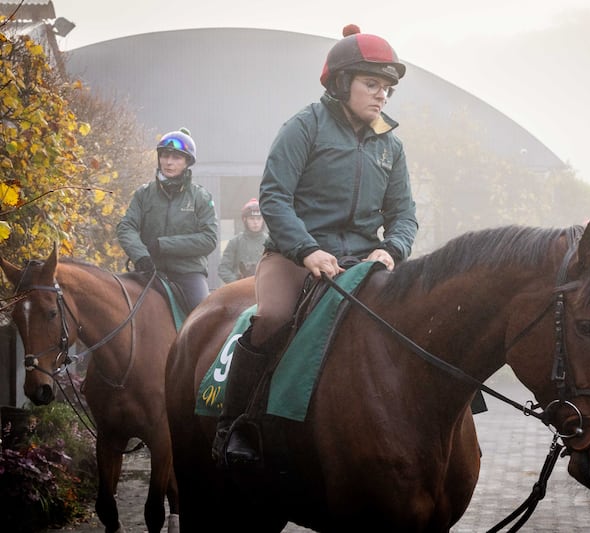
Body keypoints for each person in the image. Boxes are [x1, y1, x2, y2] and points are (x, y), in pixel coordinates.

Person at [213, 24, 418, 466]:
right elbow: (274, 197)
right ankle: (237, 425)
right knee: (273, 317)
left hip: (365, 262)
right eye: (372, 84)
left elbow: (404, 215)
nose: (382, 95)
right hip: (293, 257)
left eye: (387, 88)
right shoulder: (304, 126)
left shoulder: (391, 146)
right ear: (342, 83)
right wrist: (307, 250)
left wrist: (393, 249)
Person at [117, 128, 218, 312]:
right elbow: (126, 227)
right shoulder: (143, 194)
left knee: (203, 318)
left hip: (188, 273)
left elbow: (209, 239)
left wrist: (163, 245)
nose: (169, 162)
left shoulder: (200, 197)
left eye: (177, 158)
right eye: (165, 155)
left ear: (187, 162)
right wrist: (141, 256)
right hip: (148, 271)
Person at [218, 198, 268, 283]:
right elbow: (223, 269)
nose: (255, 222)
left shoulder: (270, 243)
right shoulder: (235, 242)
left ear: (263, 220)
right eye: (252, 219)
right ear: (245, 220)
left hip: (264, 288)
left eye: (259, 219)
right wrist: (236, 283)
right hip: (239, 290)